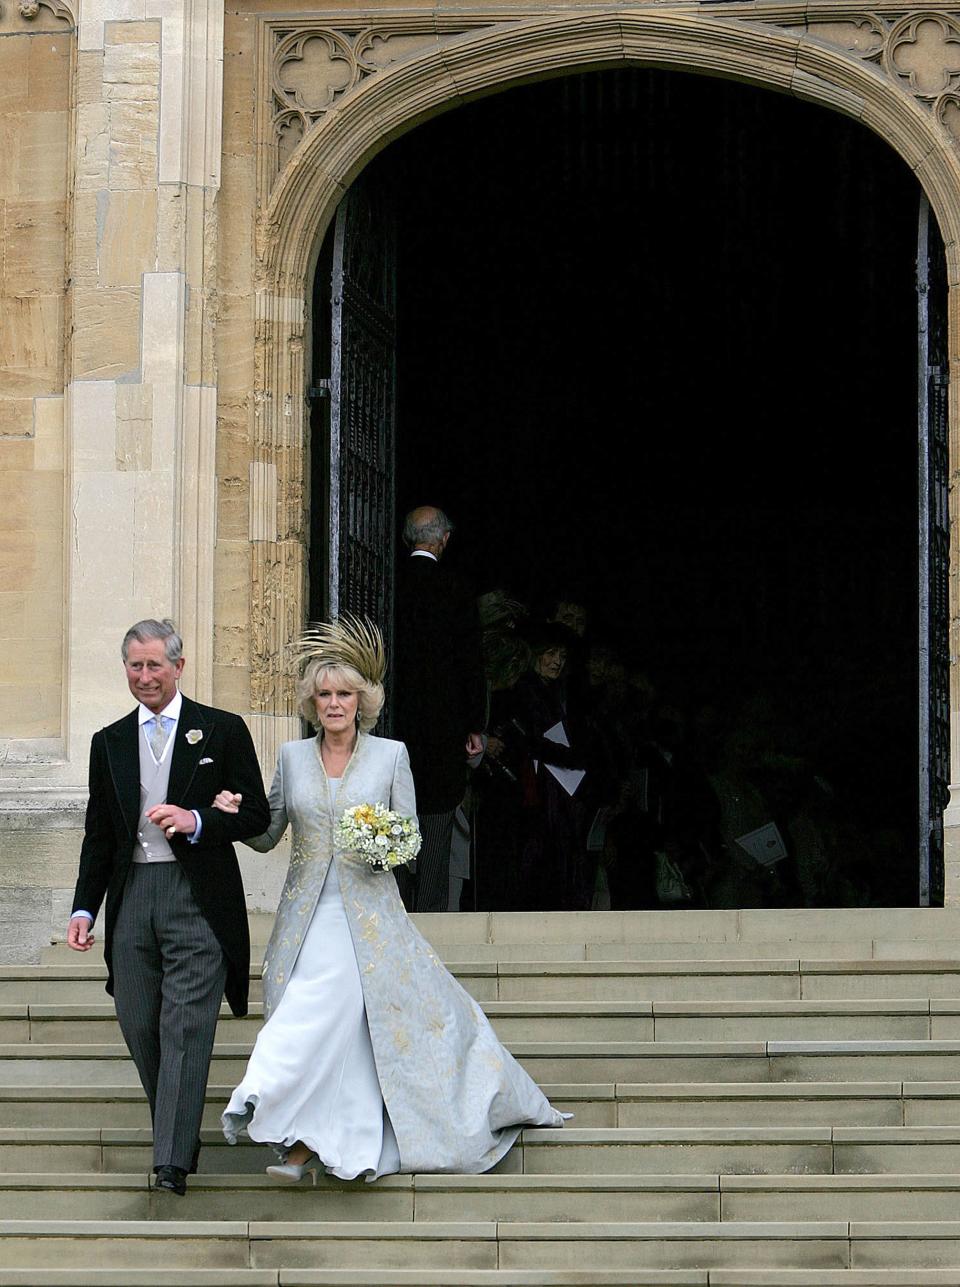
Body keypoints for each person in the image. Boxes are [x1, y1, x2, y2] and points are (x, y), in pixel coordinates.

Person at [218, 617, 564, 1182]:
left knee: (324, 1019)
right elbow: (267, 833)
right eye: (324, 694)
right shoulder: (290, 759)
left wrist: (383, 848)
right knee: (327, 1024)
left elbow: (409, 838)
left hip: (370, 921)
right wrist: (232, 817)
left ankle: (293, 1132)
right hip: (305, 918)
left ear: (363, 701)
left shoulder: (391, 756)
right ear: (312, 702)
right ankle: (317, 1142)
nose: (334, 705)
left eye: (344, 695)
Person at [67, 618, 270, 1195]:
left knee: (185, 1025)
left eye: (156, 664)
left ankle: (171, 1164)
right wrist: (84, 908)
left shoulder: (222, 730)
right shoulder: (107, 741)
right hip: (131, 894)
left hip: (197, 899)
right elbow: (99, 835)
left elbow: (255, 814)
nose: (146, 675)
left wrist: (198, 820)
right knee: (137, 1020)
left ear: (178, 667)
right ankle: (178, 1132)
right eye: (136, 665)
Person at [394, 506, 486, 911]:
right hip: (443, 727)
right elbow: (470, 662)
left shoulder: (388, 583)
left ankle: (393, 903)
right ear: (444, 539)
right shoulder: (456, 589)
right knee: (436, 818)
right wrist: (474, 725)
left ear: (406, 538)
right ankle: (429, 912)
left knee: (389, 812)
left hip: (390, 721)